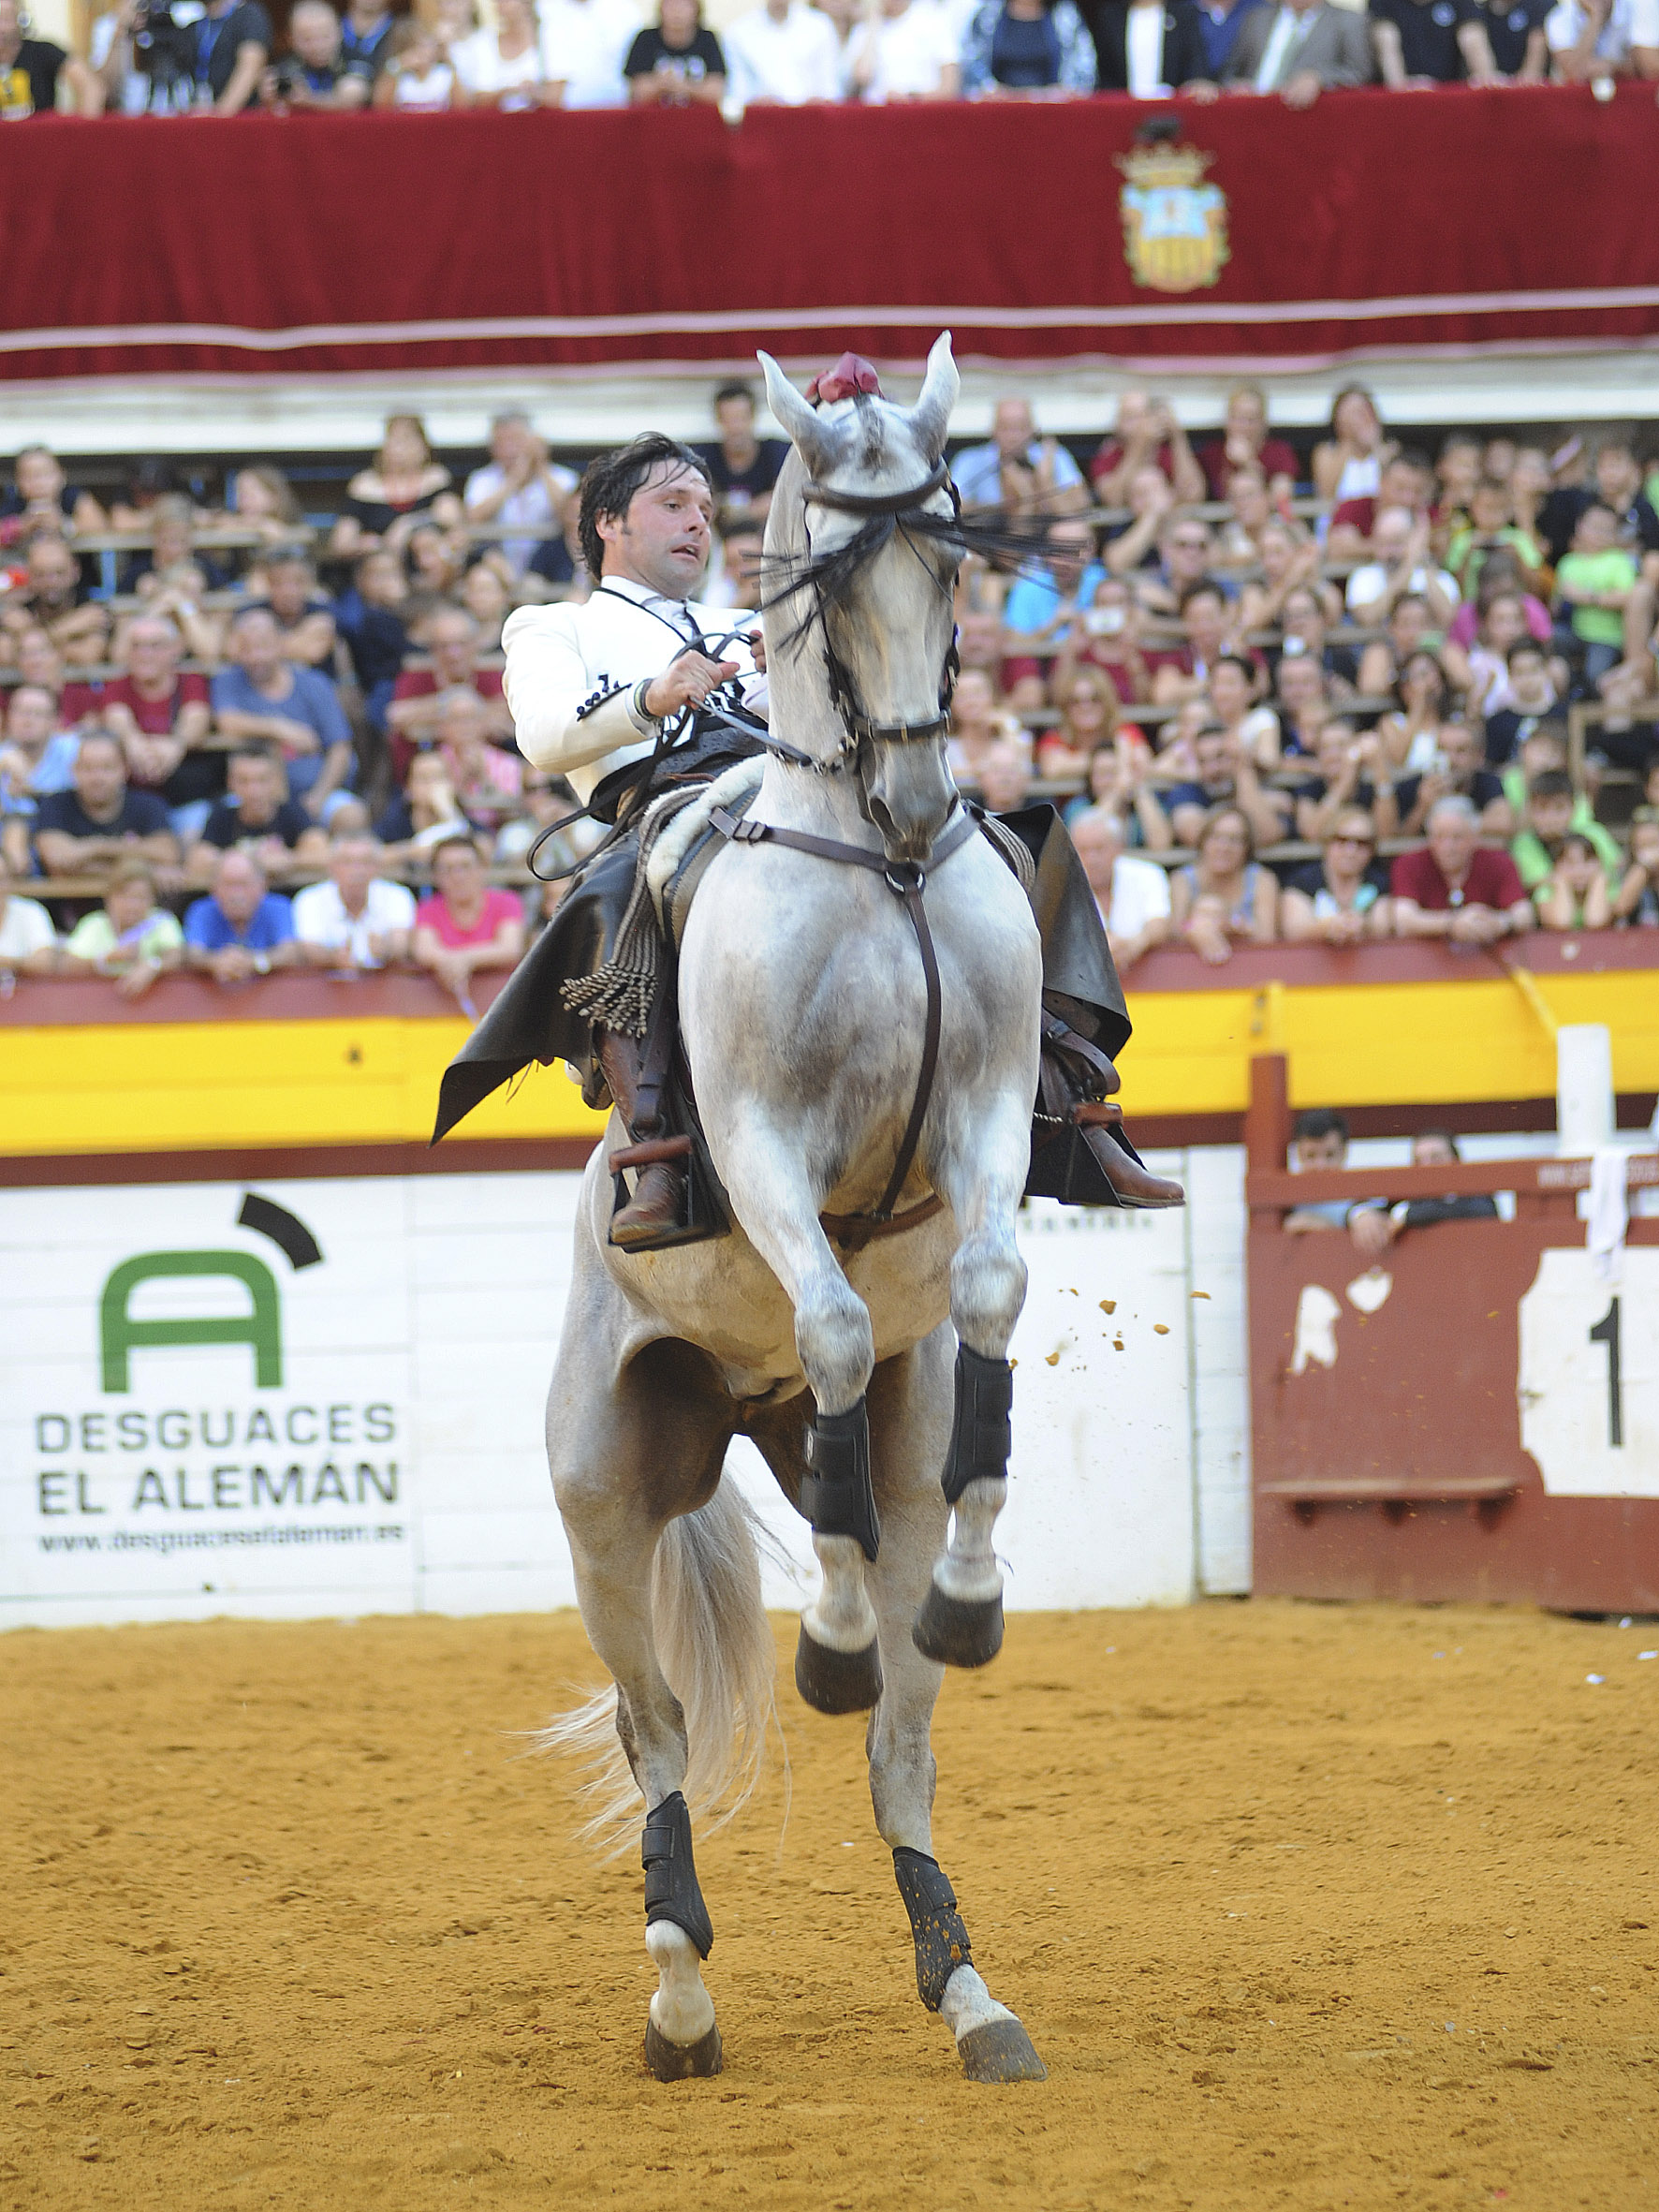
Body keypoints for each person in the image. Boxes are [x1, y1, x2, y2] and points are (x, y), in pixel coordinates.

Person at [213, 608, 355, 816]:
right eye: (246, 648)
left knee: (350, 815)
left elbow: (340, 748)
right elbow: (227, 721)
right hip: (252, 796)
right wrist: (280, 728)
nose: (256, 657)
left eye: (263, 646)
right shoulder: (228, 680)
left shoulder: (314, 683)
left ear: (280, 644)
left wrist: (319, 797)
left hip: (317, 791)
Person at [96, 614, 221, 840]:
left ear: (175, 649)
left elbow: (196, 718)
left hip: (187, 795)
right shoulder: (118, 685)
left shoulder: (190, 680)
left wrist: (175, 746)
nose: (145, 654)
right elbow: (117, 719)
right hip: (135, 798)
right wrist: (135, 745)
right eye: (137, 646)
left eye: (155, 646)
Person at [33, 730, 179, 881]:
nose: (97, 778)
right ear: (74, 770)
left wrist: (94, 849)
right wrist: (142, 868)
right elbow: (56, 860)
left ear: (125, 770)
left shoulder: (149, 804)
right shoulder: (55, 804)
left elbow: (167, 854)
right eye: (88, 768)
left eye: (107, 768)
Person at [1390, 793, 1533, 942]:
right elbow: (1404, 920)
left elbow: (1524, 913)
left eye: (1457, 837)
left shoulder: (1498, 862)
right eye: (1439, 837)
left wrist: (1500, 923)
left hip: (1487, 948)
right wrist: (1451, 923)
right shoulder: (1409, 863)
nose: (1448, 847)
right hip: (1427, 952)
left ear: (1475, 837)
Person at [1348, 1128, 1500, 1261]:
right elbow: (1383, 1211)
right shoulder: (1406, 1198)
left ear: (1456, 1160)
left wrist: (1408, 1215)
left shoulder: (1474, 1193)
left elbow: (1482, 1211)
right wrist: (1363, 1215)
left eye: (1436, 1157)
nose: (1426, 1165)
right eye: (1419, 1160)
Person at [328, 417, 462, 565]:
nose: (400, 449)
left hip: (425, 563)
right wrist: (374, 544)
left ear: (424, 447)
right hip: (378, 563)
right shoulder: (364, 485)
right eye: (394, 439)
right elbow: (341, 543)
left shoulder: (436, 478)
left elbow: (450, 518)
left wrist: (409, 524)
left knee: (428, 542)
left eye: (407, 440)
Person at [190, 744, 330, 884]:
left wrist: (288, 859)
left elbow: (322, 855)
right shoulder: (222, 815)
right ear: (230, 782)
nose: (253, 791)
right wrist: (250, 861)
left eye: (262, 780)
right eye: (243, 781)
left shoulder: (292, 812)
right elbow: (198, 860)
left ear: (276, 781)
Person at [414, 833, 526, 1004]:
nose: (458, 876)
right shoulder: (427, 908)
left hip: (503, 1001)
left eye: (465, 866)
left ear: (482, 868)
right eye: (447, 869)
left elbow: (510, 948)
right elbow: (424, 951)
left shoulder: (507, 901)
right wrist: (462, 961)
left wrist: (464, 960)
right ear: (436, 876)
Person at [464, 413, 577, 578]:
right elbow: (473, 518)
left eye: (516, 440)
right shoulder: (481, 479)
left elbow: (570, 515)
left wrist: (541, 467)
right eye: (501, 442)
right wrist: (513, 480)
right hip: (499, 573)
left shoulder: (563, 477)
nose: (509, 449)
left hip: (549, 570)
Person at [1170, 802, 1278, 963]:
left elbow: (1267, 938)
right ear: (1203, 841)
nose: (1224, 847)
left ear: (1247, 847)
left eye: (1234, 840)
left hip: (1251, 964)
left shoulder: (1262, 880)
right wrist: (1194, 930)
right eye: (1216, 837)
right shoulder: (1182, 880)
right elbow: (1174, 934)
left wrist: (1234, 928)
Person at [292, 833, 417, 969]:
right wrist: (333, 958)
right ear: (332, 866)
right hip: (329, 979)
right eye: (347, 862)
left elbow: (400, 945)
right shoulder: (310, 899)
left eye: (365, 862)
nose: (357, 870)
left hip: (385, 978)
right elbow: (310, 949)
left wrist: (385, 950)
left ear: (378, 867)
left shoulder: (397, 895)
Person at [1070, 805, 1171, 968]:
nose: (1091, 859)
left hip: (1144, 972)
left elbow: (1160, 923)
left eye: (1099, 849)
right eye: (1083, 850)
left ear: (1119, 847)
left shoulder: (1148, 873)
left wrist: (1135, 944)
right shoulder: (1062, 884)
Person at [63, 862, 184, 998]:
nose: (133, 906)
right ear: (109, 898)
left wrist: (151, 966)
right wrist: (108, 959)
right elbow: (69, 964)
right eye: (125, 896)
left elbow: (177, 955)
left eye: (141, 897)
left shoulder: (162, 922)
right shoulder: (94, 924)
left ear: (152, 899)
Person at [953, 396, 1086, 517]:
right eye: (1006, 428)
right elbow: (953, 506)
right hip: (989, 531)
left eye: (1021, 428)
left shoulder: (1053, 455)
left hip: (1048, 531)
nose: (1014, 437)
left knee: (1072, 530)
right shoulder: (969, 460)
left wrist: (1046, 481)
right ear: (992, 429)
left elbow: (1082, 504)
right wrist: (1009, 506)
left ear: (1033, 429)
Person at [1554, 502, 1640, 687]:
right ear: (1579, 526)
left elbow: (1628, 597)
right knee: (1554, 636)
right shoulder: (1568, 562)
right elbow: (1557, 602)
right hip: (1575, 632)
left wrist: (1587, 597)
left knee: (1595, 675)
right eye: (1595, 527)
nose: (1600, 534)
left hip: (1607, 638)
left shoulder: (1619, 561)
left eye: (1607, 530)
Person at [1162, 723, 1289, 848]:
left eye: (1220, 757)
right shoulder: (1187, 791)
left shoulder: (1257, 783)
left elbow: (1268, 834)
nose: (1212, 769)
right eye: (1203, 761)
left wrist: (1243, 771)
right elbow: (1196, 836)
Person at [184, 849, 301, 981]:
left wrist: (256, 962)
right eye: (228, 884)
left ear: (262, 885)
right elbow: (192, 953)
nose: (236, 894)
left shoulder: (279, 907)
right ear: (213, 888)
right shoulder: (202, 910)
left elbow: (290, 951)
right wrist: (216, 962)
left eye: (244, 884)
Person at [1281, 807, 1393, 943]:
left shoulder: (1380, 883)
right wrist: (1327, 928)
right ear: (1326, 842)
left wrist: (1364, 926)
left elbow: (1383, 927)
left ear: (1372, 850)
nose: (1351, 851)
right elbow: (1294, 930)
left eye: (1362, 843)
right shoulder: (1301, 881)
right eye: (1341, 840)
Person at [1509, 766, 1622, 897]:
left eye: (1559, 808)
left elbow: (1615, 868)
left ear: (1573, 807)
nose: (1551, 818)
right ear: (1530, 810)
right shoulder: (1523, 843)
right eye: (1542, 808)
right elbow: (1535, 882)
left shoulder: (1595, 833)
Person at [1345, 506, 1460, 629]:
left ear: (1413, 542)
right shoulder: (1363, 576)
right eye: (1382, 544)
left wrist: (1425, 567)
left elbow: (1448, 619)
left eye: (1395, 543)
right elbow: (1368, 617)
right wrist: (1409, 564)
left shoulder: (1440, 578)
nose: (1388, 552)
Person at [1088, 391, 1207, 508]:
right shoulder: (1109, 455)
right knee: (1148, 479)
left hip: (1170, 516)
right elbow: (1113, 500)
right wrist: (1138, 446)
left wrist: (1177, 436)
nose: (1138, 424)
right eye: (1126, 417)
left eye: (1139, 416)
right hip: (1132, 520)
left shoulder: (1166, 452)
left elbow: (1193, 494)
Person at [696, 384, 788, 525]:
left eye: (741, 418)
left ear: (753, 417)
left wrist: (740, 511)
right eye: (728, 419)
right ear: (718, 420)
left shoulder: (777, 452)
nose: (736, 428)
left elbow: (789, 498)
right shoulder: (702, 457)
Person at [961, 0, 1097, 91]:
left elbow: (1083, 71)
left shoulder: (1065, 15)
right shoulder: (988, 16)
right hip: (997, 110)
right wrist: (994, 91)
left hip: (1054, 111)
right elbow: (972, 68)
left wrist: (1058, 93)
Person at [723, 0, 842, 104]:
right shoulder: (738, 32)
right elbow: (738, 94)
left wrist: (817, 102)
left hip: (813, 117)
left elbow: (830, 87)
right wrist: (757, 102)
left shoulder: (820, 25)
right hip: (763, 118)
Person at [1195, 385, 1299, 502]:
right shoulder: (1212, 453)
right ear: (1227, 421)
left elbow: (1280, 500)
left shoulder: (1279, 452)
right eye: (1238, 419)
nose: (1244, 427)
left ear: (1263, 423)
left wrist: (1248, 464)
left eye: (1251, 420)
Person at [261, 0, 372, 104]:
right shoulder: (286, 67)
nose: (317, 46)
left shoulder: (354, 59)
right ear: (291, 39)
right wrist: (270, 97)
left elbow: (352, 96)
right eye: (307, 39)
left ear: (340, 31)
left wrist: (308, 100)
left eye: (325, 37)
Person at [0, 0, 101, 113]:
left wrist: (81, 122)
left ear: (21, 20)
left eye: (6, 19)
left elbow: (91, 87)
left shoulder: (43, 52)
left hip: (39, 124)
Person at [846, 0, 960, 97]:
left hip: (922, 111)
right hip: (877, 112)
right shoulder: (863, 29)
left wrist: (909, 98)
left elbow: (949, 87)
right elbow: (862, 76)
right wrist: (873, 23)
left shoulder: (933, 20)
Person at [1087, 0, 1211, 89]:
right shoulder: (1110, 16)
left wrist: (1198, 83)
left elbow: (1196, 66)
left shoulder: (1184, 15)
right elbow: (1104, 73)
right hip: (1123, 110)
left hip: (1171, 112)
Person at [539, 0, 640, 103]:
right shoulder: (546, 8)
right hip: (570, 108)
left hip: (622, 106)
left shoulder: (626, 9)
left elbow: (640, 72)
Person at [1310, 387, 1394, 509]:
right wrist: (1348, 440)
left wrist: (1375, 443)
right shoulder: (1326, 451)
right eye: (1350, 413)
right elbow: (1326, 493)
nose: (1357, 419)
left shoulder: (1389, 449)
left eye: (1362, 412)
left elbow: (1393, 485)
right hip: (1339, 517)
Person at [1370, 0, 1496, 80]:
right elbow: (1386, 46)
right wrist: (1402, 85)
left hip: (1448, 94)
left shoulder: (1461, 3)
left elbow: (1473, 41)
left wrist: (1485, 77)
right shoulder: (1385, 2)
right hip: (1402, 92)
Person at [624, 0, 726, 98]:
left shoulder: (707, 39)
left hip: (697, 109)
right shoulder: (646, 39)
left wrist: (685, 86)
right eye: (671, 5)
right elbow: (636, 90)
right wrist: (661, 84)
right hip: (654, 109)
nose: (677, 11)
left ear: (697, 9)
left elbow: (716, 91)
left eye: (684, 5)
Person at [452, 0, 547, 103]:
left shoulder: (548, 40)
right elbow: (480, 98)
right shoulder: (484, 42)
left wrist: (537, 93)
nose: (498, 3)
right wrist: (510, 92)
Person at [1283, 1106, 1358, 1231]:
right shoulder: (1288, 1199)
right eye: (1311, 1155)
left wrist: (1322, 1225)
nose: (1320, 1166)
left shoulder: (1359, 1196)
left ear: (1344, 1153)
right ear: (1299, 1154)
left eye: (1330, 1155)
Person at [190, 0, 273, 110]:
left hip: (240, 115)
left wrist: (219, 114)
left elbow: (250, 68)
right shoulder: (199, 22)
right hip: (202, 109)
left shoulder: (248, 15)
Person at [1533, 830, 1613, 931]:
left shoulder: (1608, 889)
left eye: (1587, 861)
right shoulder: (1546, 892)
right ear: (1556, 865)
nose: (1579, 871)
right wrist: (1560, 884)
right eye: (1570, 863)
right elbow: (1561, 923)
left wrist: (1600, 881)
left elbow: (1596, 922)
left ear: (1599, 863)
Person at [0, 854, 56, 976]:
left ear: (11, 881)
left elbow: (45, 963)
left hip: (24, 987)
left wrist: (6, 962)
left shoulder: (31, 911)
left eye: (1, 879)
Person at [1613, 807, 1659, 926]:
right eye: (1640, 846)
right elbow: (1620, 908)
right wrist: (1643, 866)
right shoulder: (1628, 871)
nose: (1647, 853)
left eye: (1653, 844)